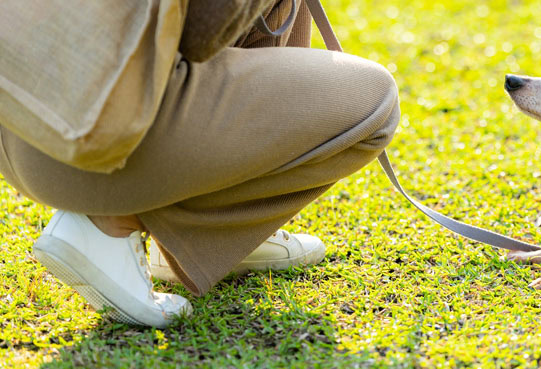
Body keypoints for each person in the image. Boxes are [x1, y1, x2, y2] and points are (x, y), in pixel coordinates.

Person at [0, 0, 399, 327]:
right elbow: (204, 33)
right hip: (92, 141)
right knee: (374, 101)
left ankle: (211, 239)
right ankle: (111, 223)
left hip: (21, 121)